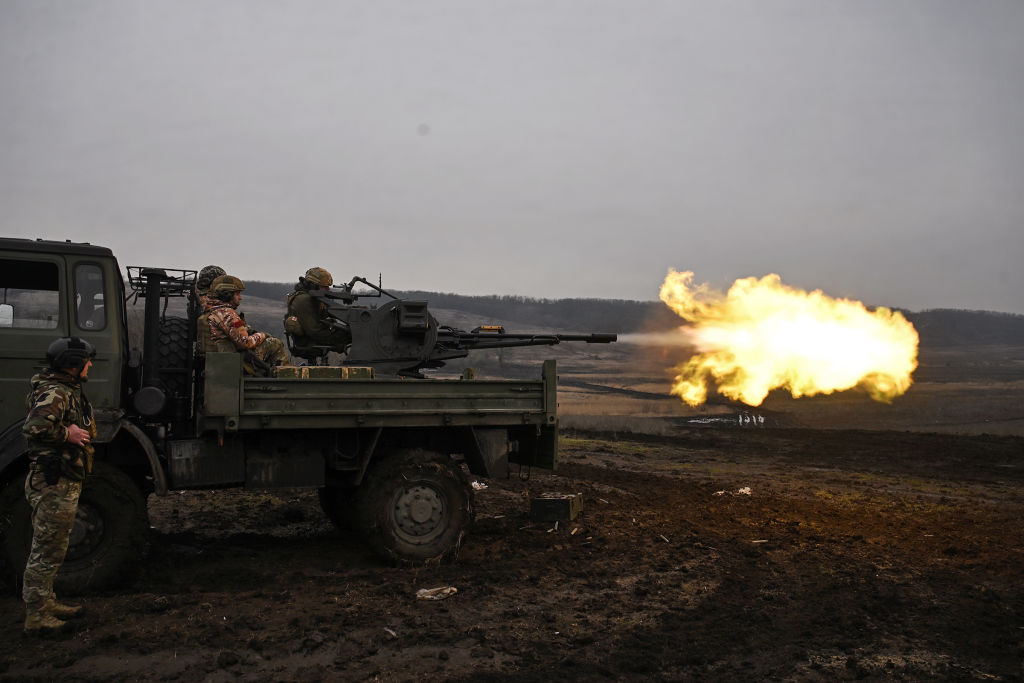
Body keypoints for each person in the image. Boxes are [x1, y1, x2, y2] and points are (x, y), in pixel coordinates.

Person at [21, 337, 97, 633]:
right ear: (73, 365)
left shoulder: (63, 389)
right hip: (53, 481)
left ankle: (46, 601)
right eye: (86, 361)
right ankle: (37, 616)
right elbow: (34, 426)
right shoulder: (56, 392)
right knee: (46, 549)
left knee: (53, 545)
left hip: (59, 478)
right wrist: (69, 434)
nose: (90, 365)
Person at [206, 275, 289, 372]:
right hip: (235, 360)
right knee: (274, 343)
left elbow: (237, 332)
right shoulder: (227, 314)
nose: (240, 298)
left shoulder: (216, 311)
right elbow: (245, 343)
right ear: (227, 295)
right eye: (237, 294)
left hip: (225, 357)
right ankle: (284, 374)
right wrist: (263, 335)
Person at [284, 267, 351, 354]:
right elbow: (315, 331)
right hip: (308, 342)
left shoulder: (313, 297)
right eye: (324, 287)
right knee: (352, 335)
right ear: (313, 285)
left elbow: (330, 311)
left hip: (313, 337)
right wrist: (342, 335)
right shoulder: (304, 300)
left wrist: (354, 311)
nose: (328, 289)